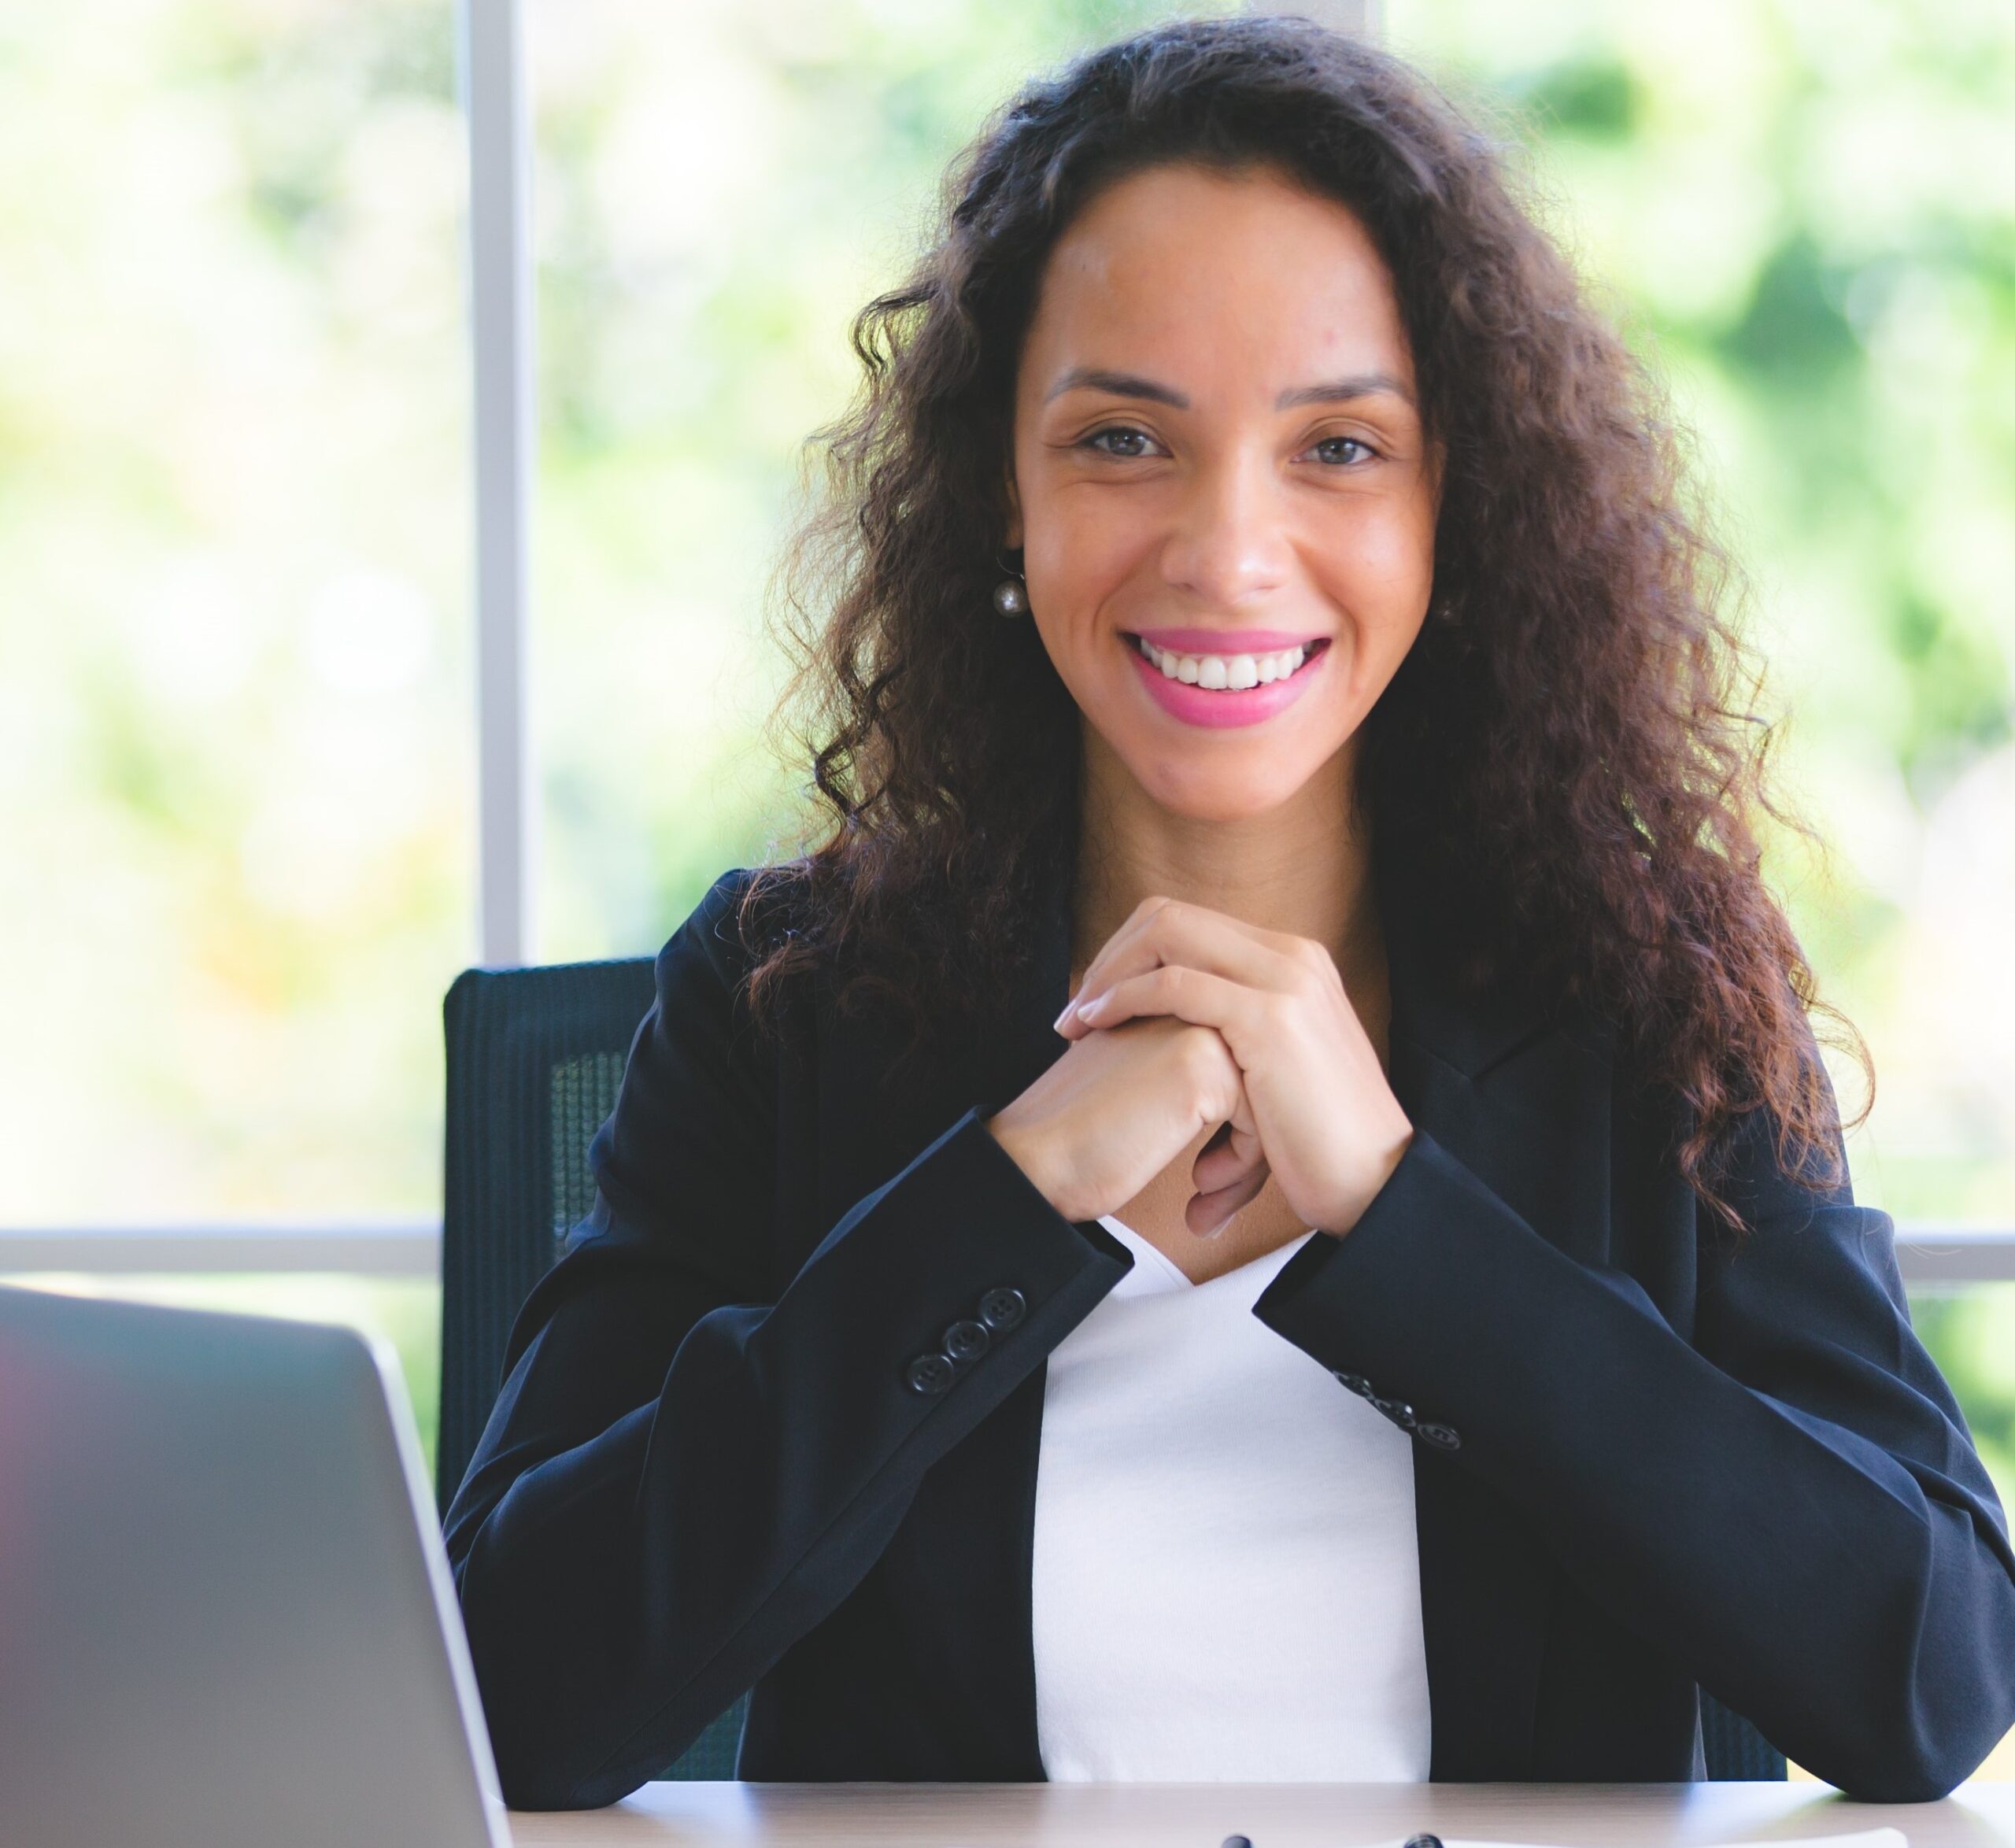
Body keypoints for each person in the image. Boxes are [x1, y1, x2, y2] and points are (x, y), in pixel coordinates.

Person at [441, 14, 2015, 1811]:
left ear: (1457, 508)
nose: (1226, 550)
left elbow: (1925, 1670)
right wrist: (1010, 1190)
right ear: (999, 495)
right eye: (1124, 437)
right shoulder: (789, 995)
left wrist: (1395, 1213)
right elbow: (505, 1690)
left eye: (1337, 448)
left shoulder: (1643, 994)